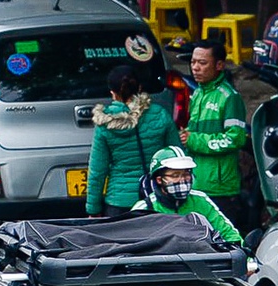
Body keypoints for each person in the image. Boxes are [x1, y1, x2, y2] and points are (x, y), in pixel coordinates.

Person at [88, 65, 175, 219]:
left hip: (119, 201)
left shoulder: (104, 124)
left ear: (112, 93)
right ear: (140, 87)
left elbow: (97, 171)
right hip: (156, 198)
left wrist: (93, 209)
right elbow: (176, 155)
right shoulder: (160, 114)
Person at [182, 41, 250, 236]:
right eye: (193, 62)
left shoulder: (230, 97)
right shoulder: (196, 94)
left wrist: (193, 140)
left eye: (202, 63)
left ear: (219, 65)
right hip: (196, 184)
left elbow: (235, 139)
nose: (195, 67)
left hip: (221, 189)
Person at [135, 146, 244, 245]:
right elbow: (129, 245)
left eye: (186, 174)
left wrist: (245, 256)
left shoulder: (201, 200)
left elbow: (229, 234)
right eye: (175, 175)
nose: (182, 180)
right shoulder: (144, 208)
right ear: (159, 180)